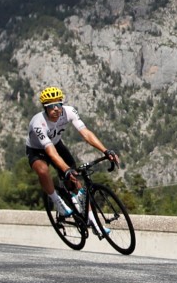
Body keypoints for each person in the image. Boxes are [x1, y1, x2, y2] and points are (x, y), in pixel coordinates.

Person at [26, 86, 119, 235]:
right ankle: (57, 202)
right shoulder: (38, 122)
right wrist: (65, 169)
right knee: (43, 170)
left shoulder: (69, 111)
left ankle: (94, 223)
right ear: (45, 108)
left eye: (58, 105)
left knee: (75, 181)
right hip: (38, 150)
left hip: (57, 144)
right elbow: (50, 152)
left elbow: (86, 134)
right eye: (51, 106)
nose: (56, 109)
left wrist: (106, 151)